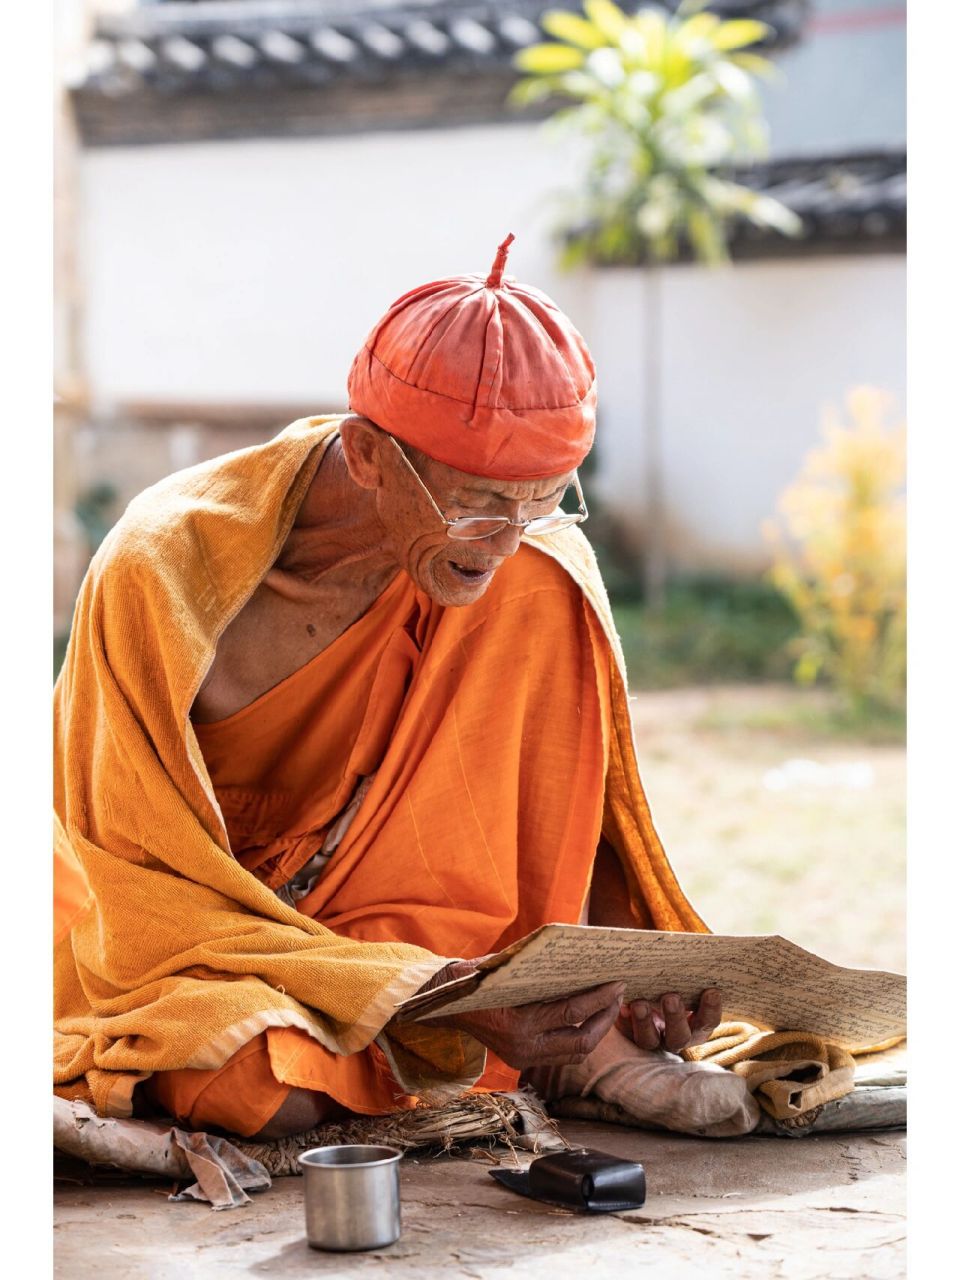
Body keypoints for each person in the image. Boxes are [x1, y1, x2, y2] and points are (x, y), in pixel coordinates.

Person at [54, 235, 758, 1142]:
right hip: (216, 941)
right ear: (369, 456)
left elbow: (562, 824)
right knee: (251, 1080)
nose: (502, 540)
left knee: (547, 581)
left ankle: (574, 1040)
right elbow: (134, 881)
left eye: (541, 499)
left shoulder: (527, 564)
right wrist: (413, 995)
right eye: (476, 504)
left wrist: (617, 980)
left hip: (430, 938)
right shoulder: (168, 569)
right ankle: (479, 1039)